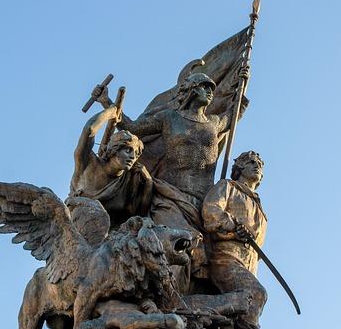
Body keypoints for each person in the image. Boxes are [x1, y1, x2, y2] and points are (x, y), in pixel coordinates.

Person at [96, 70, 249, 289]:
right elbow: (133, 128)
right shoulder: (169, 118)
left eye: (211, 89)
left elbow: (234, 114)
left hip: (204, 203)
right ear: (190, 90)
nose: (209, 92)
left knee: (201, 259)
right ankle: (166, 300)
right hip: (171, 196)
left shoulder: (214, 123)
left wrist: (243, 81)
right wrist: (106, 101)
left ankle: (184, 307)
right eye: (204, 86)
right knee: (181, 244)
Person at [201, 150, 270, 329]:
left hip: (248, 264)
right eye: (250, 162)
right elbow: (211, 212)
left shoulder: (260, 209)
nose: (256, 165)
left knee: (237, 315)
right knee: (256, 293)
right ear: (239, 167)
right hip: (225, 257)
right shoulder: (227, 187)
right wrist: (232, 226)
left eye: (259, 163)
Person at [70, 106, 152, 227]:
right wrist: (110, 112)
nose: (132, 157)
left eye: (135, 154)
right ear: (115, 149)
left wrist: (149, 182)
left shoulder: (128, 181)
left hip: (108, 237)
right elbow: (89, 130)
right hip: (77, 229)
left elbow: (136, 214)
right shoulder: (87, 163)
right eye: (128, 150)